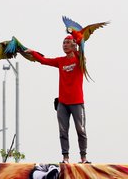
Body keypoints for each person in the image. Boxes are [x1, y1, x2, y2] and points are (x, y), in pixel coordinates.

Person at [26, 35, 90, 164]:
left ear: (74, 45)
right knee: (63, 130)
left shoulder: (79, 59)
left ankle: (83, 158)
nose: (65, 45)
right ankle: (65, 158)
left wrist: (77, 42)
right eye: (63, 43)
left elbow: (81, 50)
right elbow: (44, 61)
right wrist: (32, 52)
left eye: (68, 42)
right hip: (63, 103)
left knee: (81, 130)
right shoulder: (60, 61)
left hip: (77, 103)